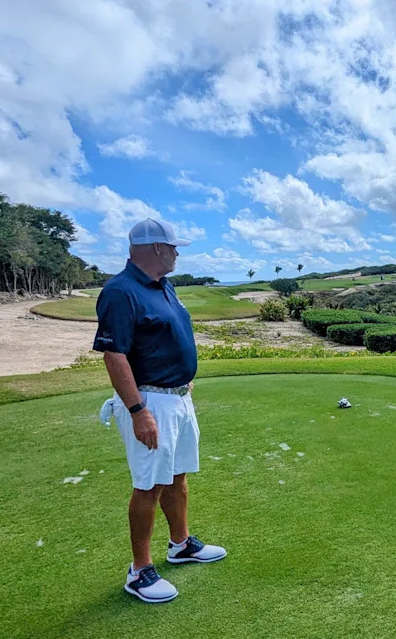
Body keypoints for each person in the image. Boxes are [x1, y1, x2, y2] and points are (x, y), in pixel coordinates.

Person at [94, 218, 226, 604]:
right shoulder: (121, 291)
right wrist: (138, 411)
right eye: (172, 247)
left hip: (179, 396)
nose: (176, 253)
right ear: (155, 248)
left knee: (176, 475)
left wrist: (183, 380)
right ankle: (139, 571)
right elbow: (113, 354)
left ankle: (181, 544)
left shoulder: (163, 285)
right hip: (150, 400)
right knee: (149, 484)